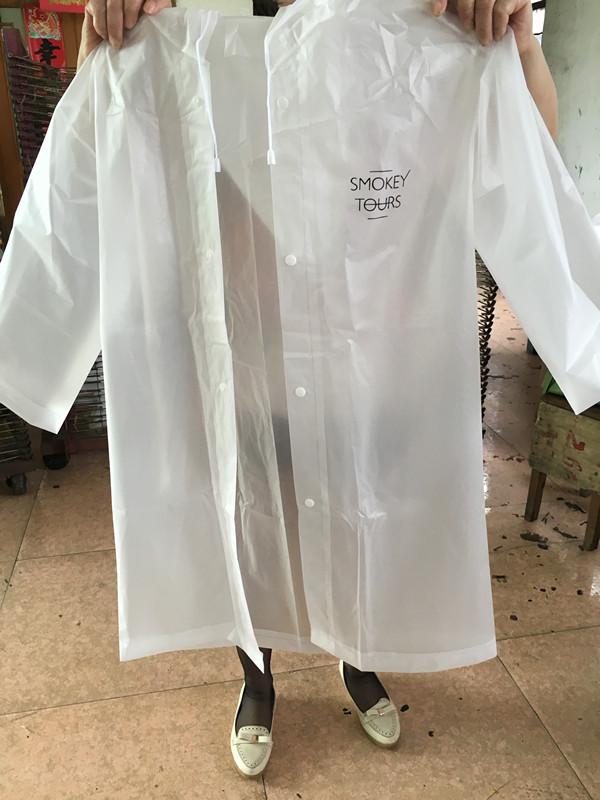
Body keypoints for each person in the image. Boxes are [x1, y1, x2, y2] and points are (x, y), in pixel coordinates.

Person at [74, 0, 559, 778]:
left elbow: (528, 164)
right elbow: (110, 162)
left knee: (361, 522)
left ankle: (359, 660)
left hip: (364, 381)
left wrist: (521, 50)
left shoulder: (404, 59)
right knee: (252, 531)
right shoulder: (199, 61)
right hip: (244, 377)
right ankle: (257, 682)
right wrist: (108, 51)